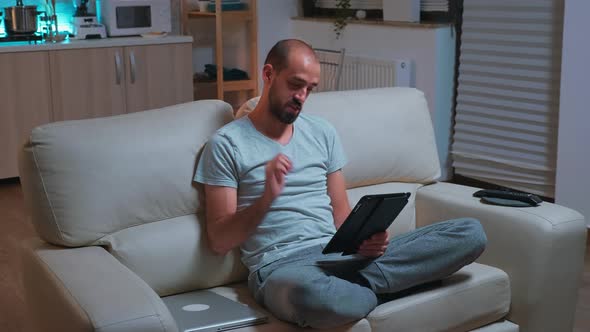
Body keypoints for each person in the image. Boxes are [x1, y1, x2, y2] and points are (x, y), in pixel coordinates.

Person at [194, 39, 487, 329]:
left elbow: (341, 216)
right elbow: (220, 240)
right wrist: (267, 198)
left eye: (310, 89)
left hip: (339, 256)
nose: (302, 96)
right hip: (281, 269)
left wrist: (366, 239)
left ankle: (358, 291)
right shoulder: (226, 144)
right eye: (295, 84)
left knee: (470, 233)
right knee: (314, 295)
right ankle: (385, 286)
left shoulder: (322, 132)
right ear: (269, 74)